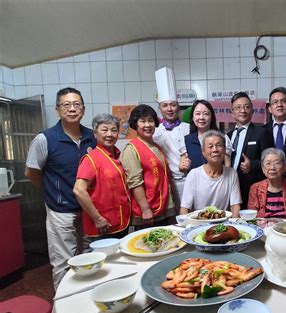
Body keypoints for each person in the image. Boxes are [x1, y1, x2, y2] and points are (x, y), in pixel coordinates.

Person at [25, 87, 96, 289]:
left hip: (87, 210)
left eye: (76, 104)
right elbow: (31, 173)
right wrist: (54, 194)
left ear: (83, 109)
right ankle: (65, 306)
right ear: (57, 110)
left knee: (89, 258)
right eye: (66, 105)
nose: (72, 109)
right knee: (64, 263)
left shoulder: (92, 137)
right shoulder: (45, 139)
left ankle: (85, 300)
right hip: (61, 212)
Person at [73, 114, 131, 245]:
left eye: (114, 130)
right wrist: (98, 218)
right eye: (104, 130)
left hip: (120, 220)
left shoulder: (117, 156)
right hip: (103, 225)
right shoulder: (91, 159)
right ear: (95, 133)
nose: (109, 134)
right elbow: (78, 190)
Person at [120, 105, 175, 229]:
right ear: (135, 124)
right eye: (142, 121)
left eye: (150, 120)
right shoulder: (131, 149)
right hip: (148, 210)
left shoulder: (155, 146)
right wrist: (145, 209)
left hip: (162, 205)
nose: (147, 125)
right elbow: (135, 182)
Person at [153, 67, 190, 209]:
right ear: (160, 108)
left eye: (173, 105)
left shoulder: (188, 128)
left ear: (178, 107)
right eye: (165, 105)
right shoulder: (155, 132)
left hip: (188, 181)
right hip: (166, 183)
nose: (169, 109)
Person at [180, 130, 241, 217]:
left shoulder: (232, 173)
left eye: (219, 145)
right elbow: (185, 209)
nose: (215, 150)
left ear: (224, 151)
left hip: (223, 224)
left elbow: (235, 206)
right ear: (203, 152)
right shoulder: (193, 174)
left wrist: (235, 225)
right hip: (199, 224)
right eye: (210, 146)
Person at [227, 92, 265, 208]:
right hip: (229, 185)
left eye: (247, 107)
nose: (243, 110)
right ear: (232, 112)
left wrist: (252, 165)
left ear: (252, 111)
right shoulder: (227, 136)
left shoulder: (261, 132)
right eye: (238, 107)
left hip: (250, 186)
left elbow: (268, 160)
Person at [248, 148, 286, 219]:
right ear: (263, 168)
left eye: (277, 163)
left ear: (284, 167)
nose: (272, 167)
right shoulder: (255, 188)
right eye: (268, 163)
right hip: (263, 228)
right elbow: (251, 217)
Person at [184, 99, 232, 170]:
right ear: (193, 118)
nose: (201, 117)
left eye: (206, 114)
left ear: (211, 117)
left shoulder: (222, 138)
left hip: (218, 180)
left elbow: (227, 165)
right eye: (198, 114)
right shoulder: (187, 140)